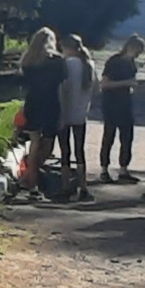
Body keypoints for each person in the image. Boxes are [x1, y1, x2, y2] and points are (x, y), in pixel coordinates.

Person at [17, 30, 65, 186]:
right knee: (49, 140)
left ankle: (31, 178)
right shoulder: (57, 61)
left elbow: (23, 83)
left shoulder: (28, 60)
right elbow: (62, 84)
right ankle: (35, 171)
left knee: (34, 141)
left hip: (33, 102)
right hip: (51, 103)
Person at [98, 36, 145, 181]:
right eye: (138, 50)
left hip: (125, 103)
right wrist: (126, 83)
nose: (138, 54)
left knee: (127, 136)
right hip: (111, 103)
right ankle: (104, 168)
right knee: (109, 136)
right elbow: (105, 84)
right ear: (131, 47)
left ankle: (123, 168)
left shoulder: (131, 63)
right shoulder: (114, 62)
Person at [58, 37, 94, 183]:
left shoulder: (66, 64)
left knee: (65, 151)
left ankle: (65, 184)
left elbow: (62, 88)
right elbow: (95, 88)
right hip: (81, 113)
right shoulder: (89, 65)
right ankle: (82, 184)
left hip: (64, 113)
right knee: (80, 150)